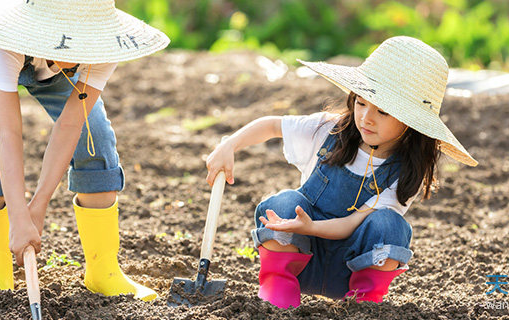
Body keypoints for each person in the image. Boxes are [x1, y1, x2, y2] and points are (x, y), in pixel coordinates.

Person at [205, 36, 478, 308]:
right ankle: (278, 293)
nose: (366, 118)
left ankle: (364, 305)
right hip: (302, 255)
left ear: (411, 123)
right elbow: (273, 126)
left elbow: (350, 225)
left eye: (382, 111)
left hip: (349, 268)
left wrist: (311, 226)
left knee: (389, 226)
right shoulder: (327, 131)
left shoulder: (405, 172)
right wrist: (229, 144)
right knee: (283, 204)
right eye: (361, 103)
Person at [0, 0, 169, 301]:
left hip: (44, 63)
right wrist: (18, 217)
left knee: (96, 137)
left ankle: (104, 271)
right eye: (70, 42)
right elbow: (8, 134)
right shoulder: (3, 38)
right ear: (48, 30)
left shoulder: (101, 46)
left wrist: (37, 206)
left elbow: (70, 126)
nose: (78, 52)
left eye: (84, 44)